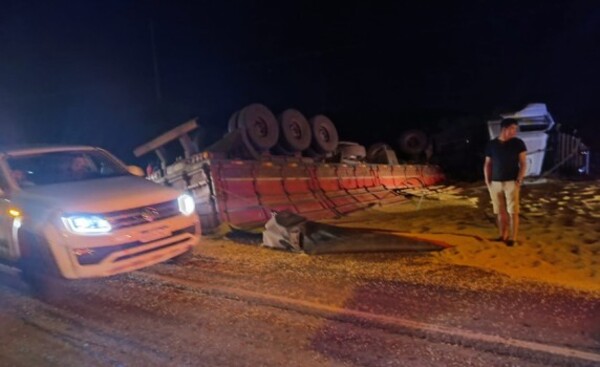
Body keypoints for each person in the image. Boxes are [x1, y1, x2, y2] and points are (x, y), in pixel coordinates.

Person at [483, 118, 527, 247]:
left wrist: (519, 179)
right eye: (513, 129)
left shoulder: (518, 143)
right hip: (495, 182)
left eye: (515, 129)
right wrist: (487, 180)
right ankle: (503, 235)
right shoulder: (491, 144)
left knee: (513, 211)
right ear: (505, 128)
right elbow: (487, 164)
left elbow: (523, 163)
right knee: (499, 211)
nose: (515, 132)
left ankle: (513, 238)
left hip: (511, 182)